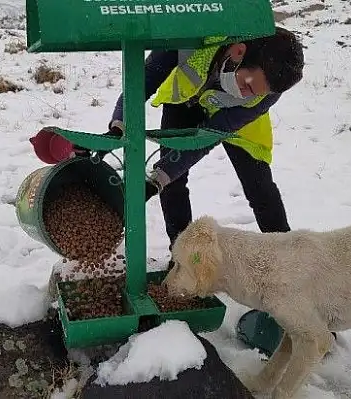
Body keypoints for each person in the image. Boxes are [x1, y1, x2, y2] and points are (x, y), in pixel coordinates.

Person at [77, 26, 312, 353]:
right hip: (185, 100)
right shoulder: (187, 40)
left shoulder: (265, 91)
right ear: (238, 51)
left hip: (233, 121)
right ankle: (182, 262)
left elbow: (211, 134)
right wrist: (120, 122)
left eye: (256, 92)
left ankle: (293, 270)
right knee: (174, 189)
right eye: (247, 83)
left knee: (260, 189)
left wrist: (160, 175)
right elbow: (141, 81)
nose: (248, 92)